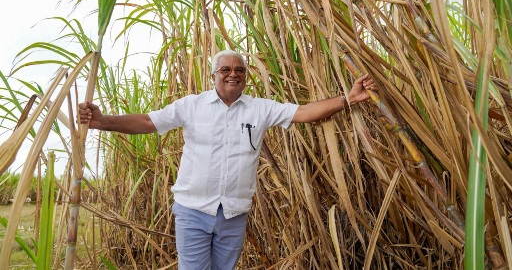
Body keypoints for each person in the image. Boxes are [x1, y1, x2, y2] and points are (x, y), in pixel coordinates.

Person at [78, 49, 377, 270]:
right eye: (225, 69)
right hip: (193, 210)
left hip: (233, 213)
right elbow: (147, 122)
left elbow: (303, 113)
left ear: (246, 76)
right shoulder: (192, 106)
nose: (233, 73)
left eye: (239, 69)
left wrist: (348, 99)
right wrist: (103, 121)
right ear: (214, 76)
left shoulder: (260, 109)